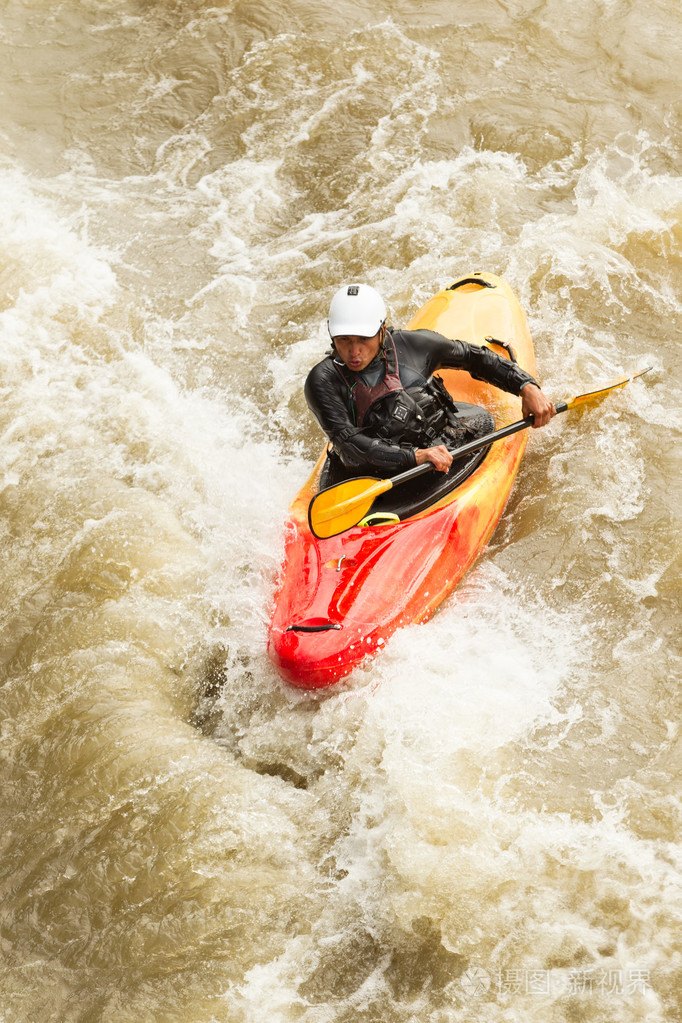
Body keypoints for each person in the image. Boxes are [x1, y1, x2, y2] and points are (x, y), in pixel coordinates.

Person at [305, 282, 556, 486]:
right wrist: (415, 457)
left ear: (381, 331)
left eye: (363, 339)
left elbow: (472, 357)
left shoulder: (414, 345)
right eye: (344, 339)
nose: (353, 351)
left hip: (443, 443)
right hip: (373, 476)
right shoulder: (323, 380)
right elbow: (349, 443)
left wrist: (526, 386)